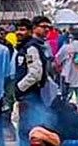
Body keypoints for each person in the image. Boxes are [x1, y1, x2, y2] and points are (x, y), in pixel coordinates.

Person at [15, 18, 53, 146]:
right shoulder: (27, 46)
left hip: (30, 94)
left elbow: (35, 73)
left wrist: (20, 88)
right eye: (18, 29)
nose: (19, 33)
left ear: (31, 31)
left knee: (28, 130)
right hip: (29, 95)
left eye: (23, 30)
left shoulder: (31, 48)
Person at [55, 29, 78, 106]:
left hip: (68, 76)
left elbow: (57, 59)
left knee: (66, 98)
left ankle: (67, 112)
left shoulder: (66, 47)